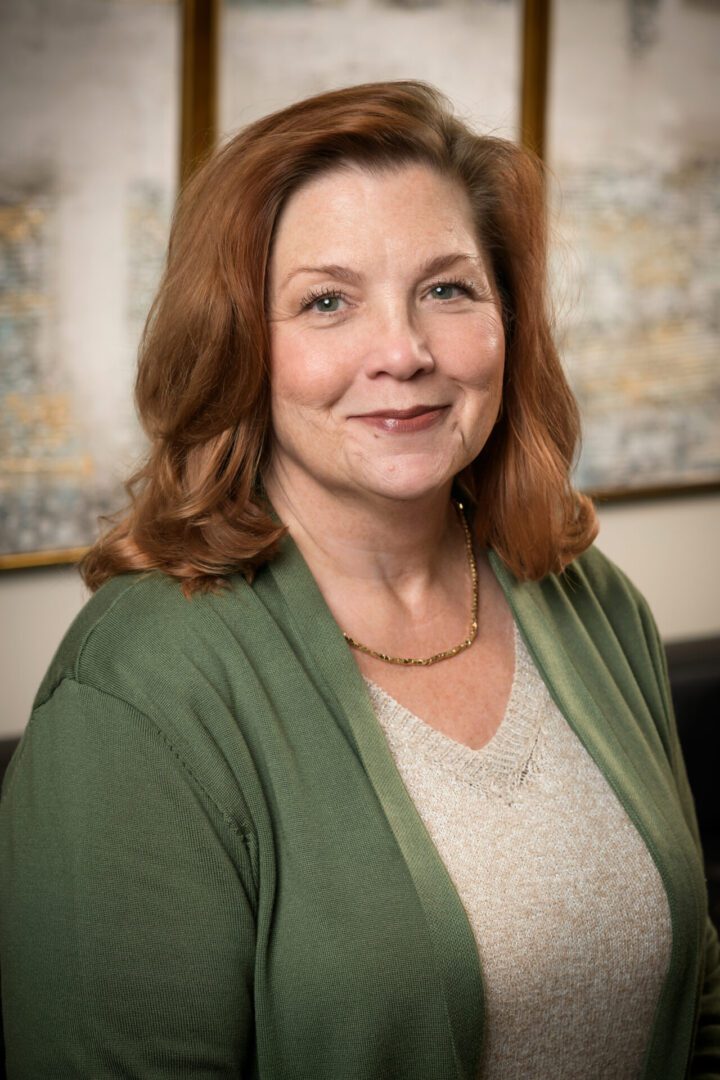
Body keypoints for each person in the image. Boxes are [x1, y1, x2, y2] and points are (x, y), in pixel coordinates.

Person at [0, 81, 718, 1080]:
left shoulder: (590, 601)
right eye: (326, 301)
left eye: (448, 288)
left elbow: (699, 1006)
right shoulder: (136, 695)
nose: (404, 352)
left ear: (506, 317)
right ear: (240, 343)